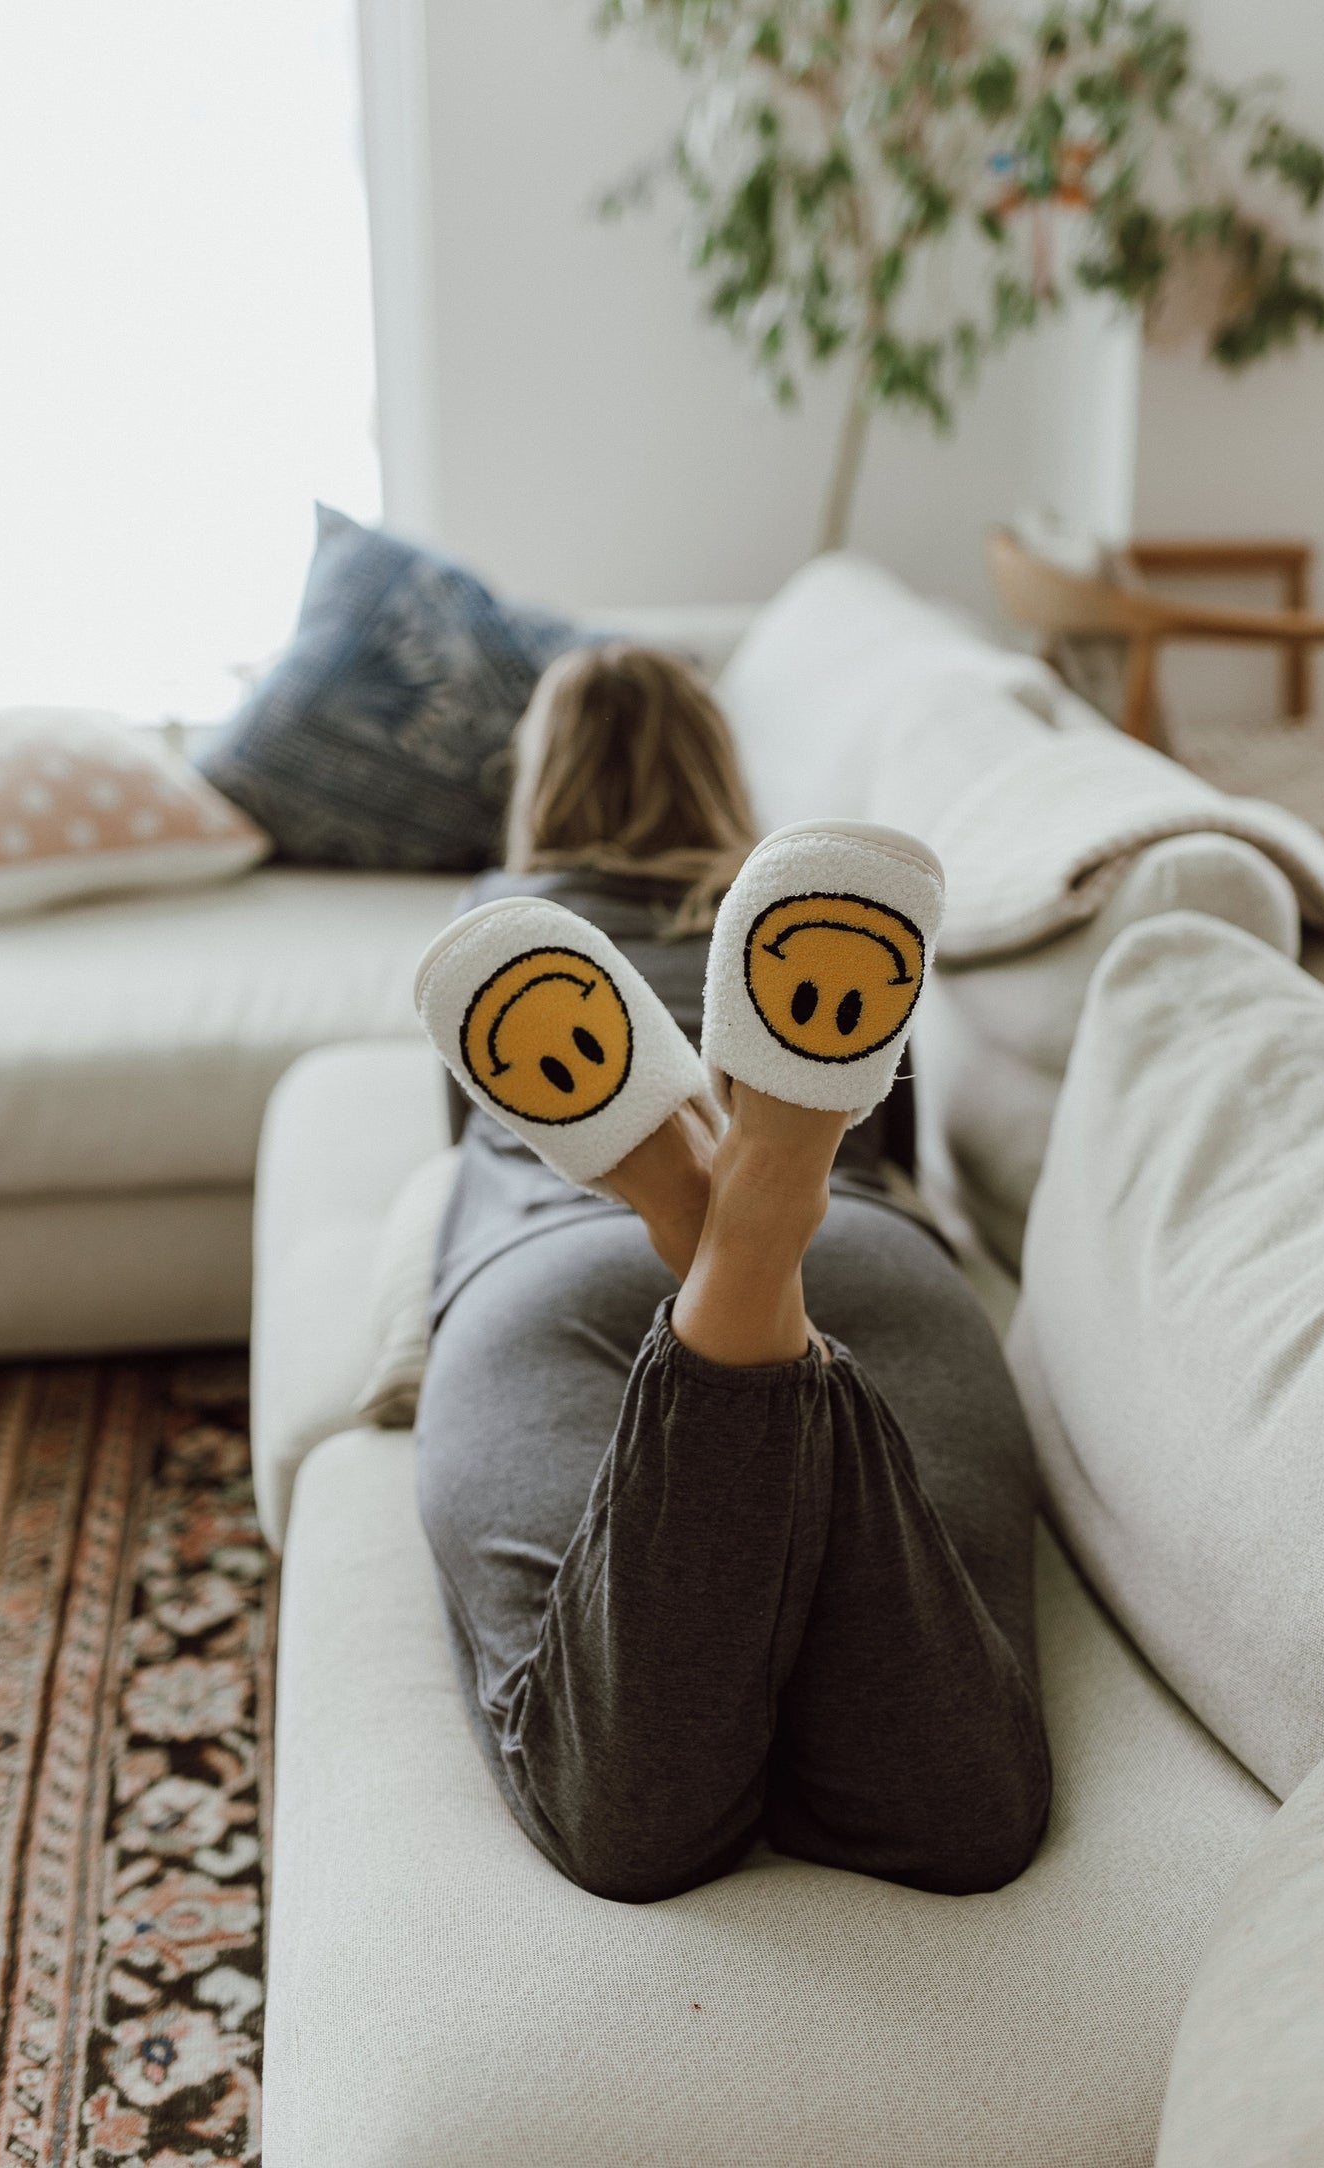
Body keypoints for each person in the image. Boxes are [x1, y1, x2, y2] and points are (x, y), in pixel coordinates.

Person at [412, 644, 1051, 1905]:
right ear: (719, 764)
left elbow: (462, 1163)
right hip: (866, 1256)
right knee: (961, 1816)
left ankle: (689, 1197)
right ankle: (762, 1199)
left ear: (539, 778)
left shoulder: (506, 929)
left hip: (543, 1271)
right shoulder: (789, 924)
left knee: (629, 1823)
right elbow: (900, 1156)